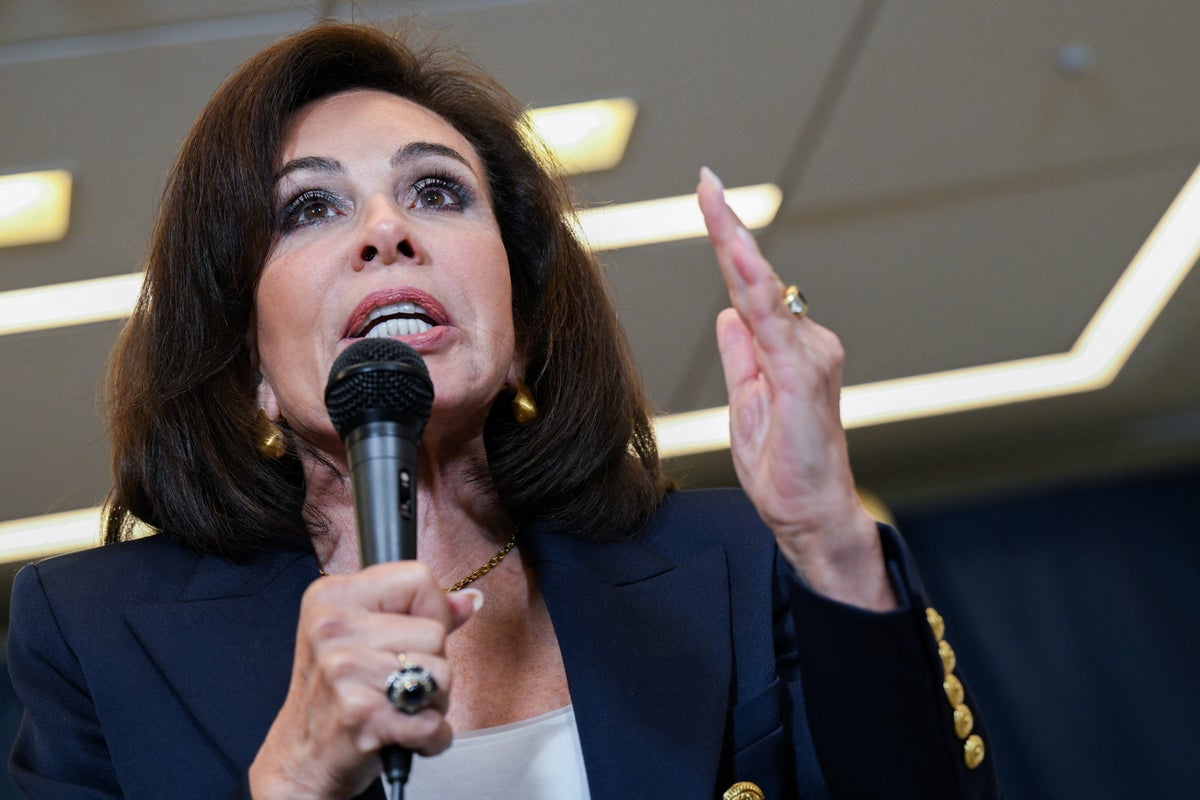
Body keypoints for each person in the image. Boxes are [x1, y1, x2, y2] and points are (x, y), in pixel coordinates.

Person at [6, 21, 1002, 800]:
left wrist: (829, 541)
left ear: (518, 324)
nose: (387, 229)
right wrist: (295, 779)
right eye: (309, 207)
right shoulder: (93, 634)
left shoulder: (737, 561)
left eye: (437, 192)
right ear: (247, 366)